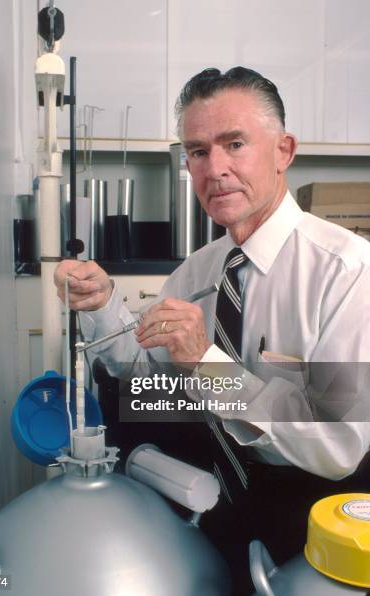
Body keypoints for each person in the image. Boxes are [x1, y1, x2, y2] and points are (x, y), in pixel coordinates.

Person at [55, 67, 370, 594]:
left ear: (284, 151)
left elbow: (335, 446)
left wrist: (207, 365)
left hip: (311, 523)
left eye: (235, 144)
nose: (215, 168)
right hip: (211, 498)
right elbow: (144, 372)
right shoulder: (198, 272)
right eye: (198, 151)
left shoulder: (347, 272)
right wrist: (102, 305)